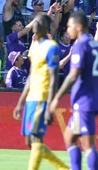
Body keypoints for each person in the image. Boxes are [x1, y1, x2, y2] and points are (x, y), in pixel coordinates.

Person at [49, 12, 98, 170]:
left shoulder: (80, 45)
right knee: (69, 138)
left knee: (89, 145)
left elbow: (72, 76)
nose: (68, 29)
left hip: (85, 101)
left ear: (78, 27)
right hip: (93, 99)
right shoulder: (97, 47)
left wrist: (56, 98)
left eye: (70, 26)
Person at [12, 14, 68, 170]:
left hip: (42, 97)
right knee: (30, 142)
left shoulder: (52, 47)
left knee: (36, 139)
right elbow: (31, 75)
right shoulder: (35, 46)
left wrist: (51, 105)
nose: (34, 24)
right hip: (31, 98)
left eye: (37, 22)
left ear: (44, 26)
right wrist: (20, 102)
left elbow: (53, 77)